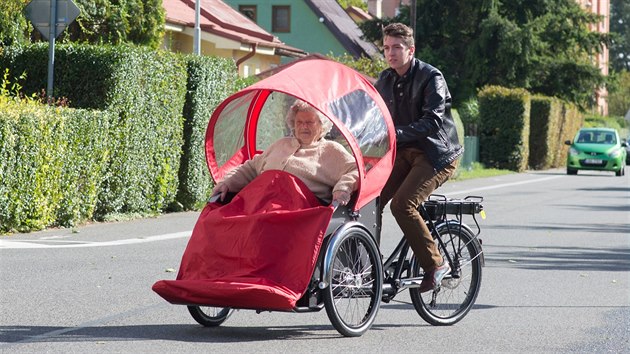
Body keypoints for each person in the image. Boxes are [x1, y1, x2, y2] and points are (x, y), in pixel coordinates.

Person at [375, 23, 463, 293]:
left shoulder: (430, 76)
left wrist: (394, 132)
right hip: (403, 151)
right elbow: (373, 113)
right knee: (370, 199)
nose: (391, 53)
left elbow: (433, 121)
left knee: (402, 205)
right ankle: (369, 259)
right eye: (387, 47)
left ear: (410, 50)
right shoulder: (385, 79)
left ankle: (435, 264)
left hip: (436, 153)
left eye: (397, 47)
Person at [213, 99, 358, 206]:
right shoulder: (280, 144)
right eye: (299, 122)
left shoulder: (331, 150)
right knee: (217, 218)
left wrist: (343, 188)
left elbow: (356, 170)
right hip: (260, 202)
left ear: (322, 125)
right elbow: (250, 167)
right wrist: (227, 182)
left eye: (309, 122)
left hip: (298, 211)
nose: (303, 127)